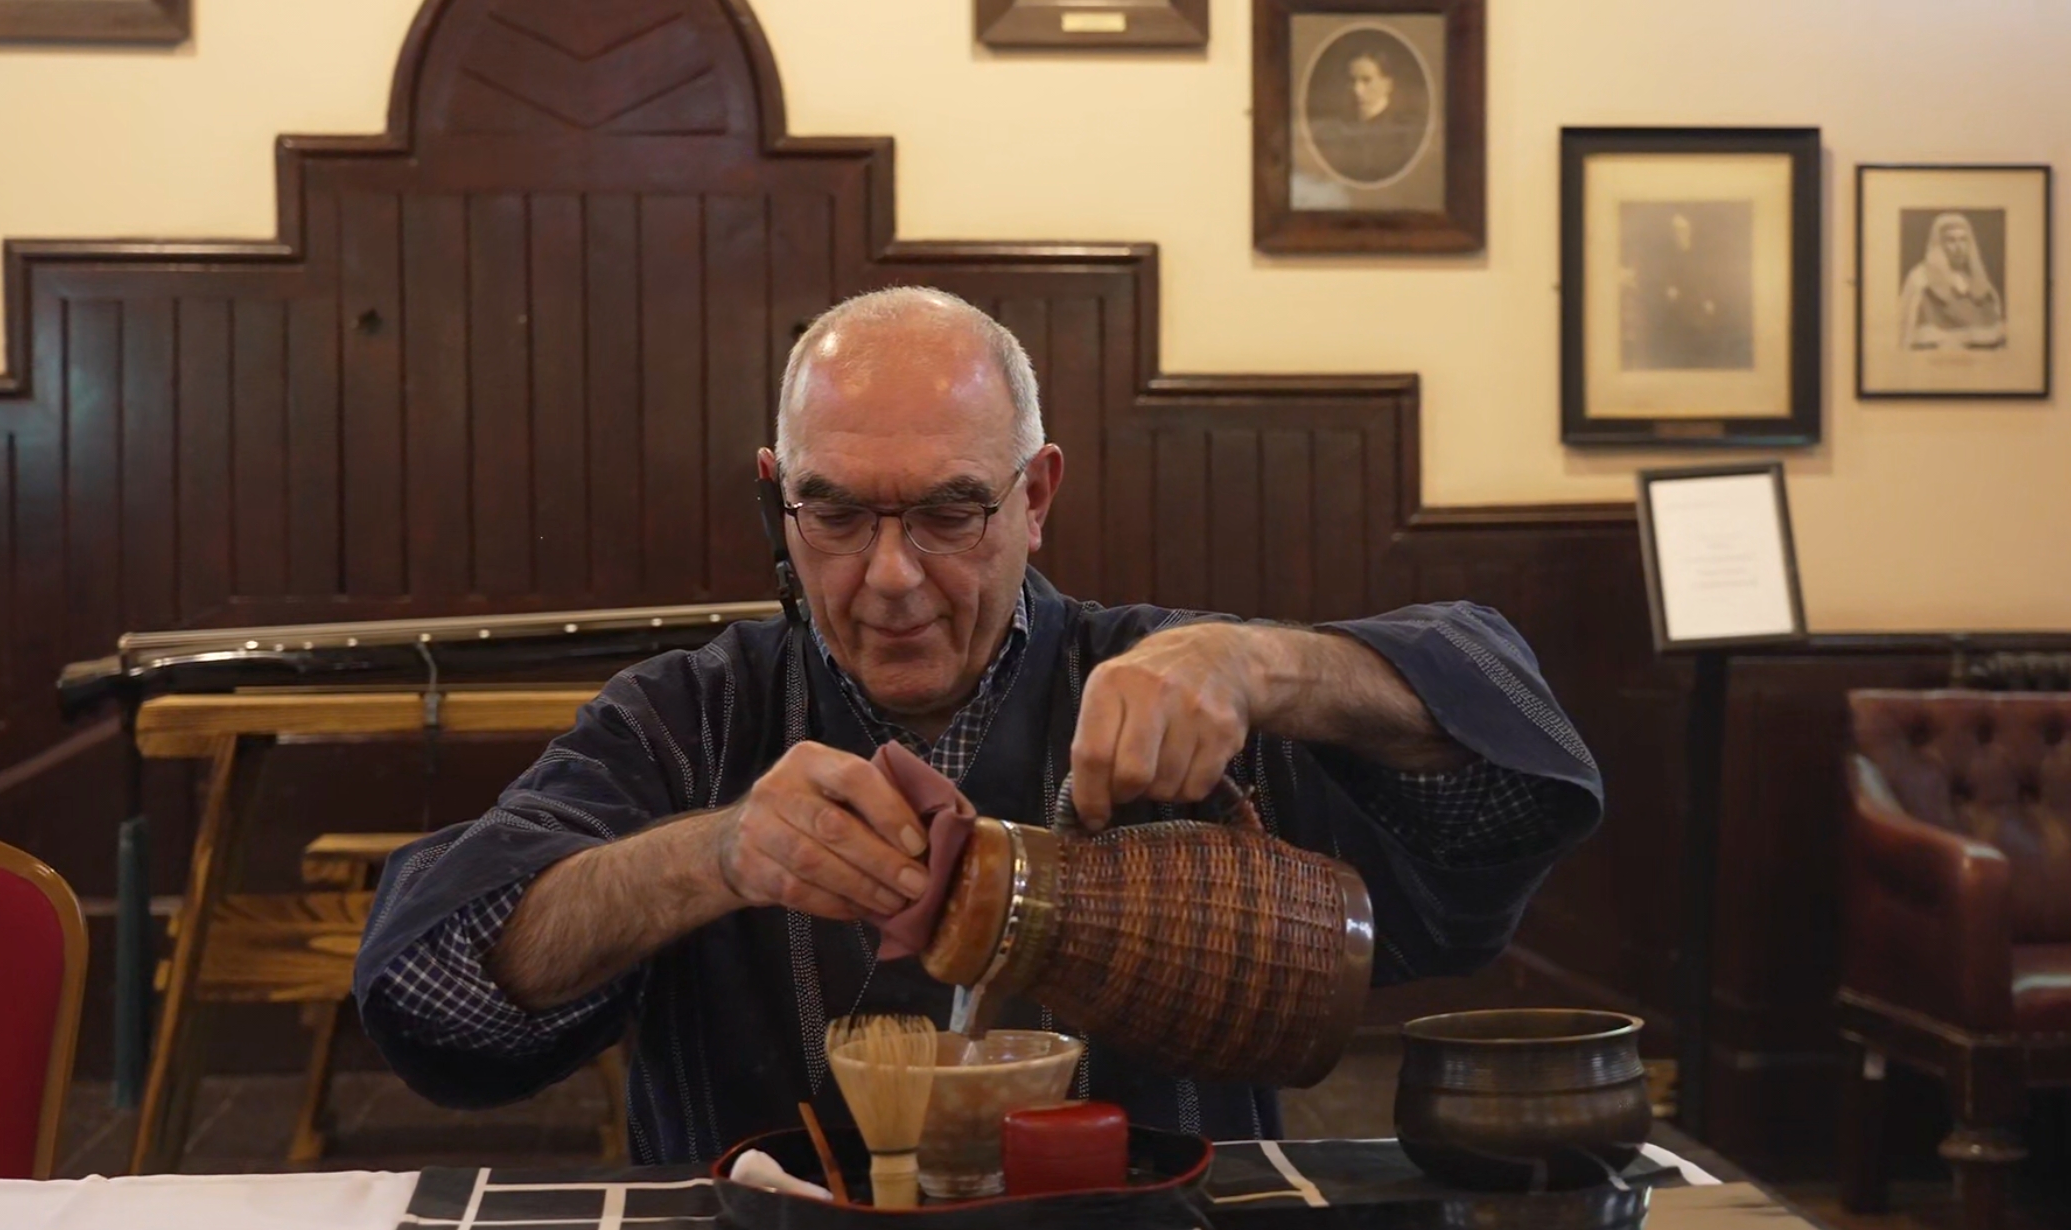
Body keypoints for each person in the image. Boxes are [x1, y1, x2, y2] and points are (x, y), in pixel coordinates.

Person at [353, 287, 1603, 1163]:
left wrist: (1270, 665)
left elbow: (1514, 779)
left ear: (1037, 493)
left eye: (952, 512)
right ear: (775, 498)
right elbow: (430, 987)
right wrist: (716, 855)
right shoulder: (694, 717)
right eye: (834, 514)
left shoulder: (1175, 692)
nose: (890, 575)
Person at [1625, 208, 1753, 370]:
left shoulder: (1700, 254)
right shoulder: (1666, 254)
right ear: (1671, 233)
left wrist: (1708, 299)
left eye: (1683, 229)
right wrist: (1667, 289)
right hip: (1675, 311)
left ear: (1690, 231)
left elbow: (1708, 279)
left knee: (1703, 340)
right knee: (1676, 344)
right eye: (1676, 230)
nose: (1679, 233)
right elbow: (1660, 278)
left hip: (1697, 307)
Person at [1307, 37, 1429, 185]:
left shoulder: (1411, 133)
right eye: (1351, 80)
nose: (1357, 90)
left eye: (1366, 80)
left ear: (1388, 84)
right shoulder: (1331, 132)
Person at [1900, 212, 2005, 350]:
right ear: (1939, 244)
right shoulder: (1920, 278)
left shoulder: (1979, 282)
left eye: (1963, 240)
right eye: (1951, 240)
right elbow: (1905, 331)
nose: (1958, 247)